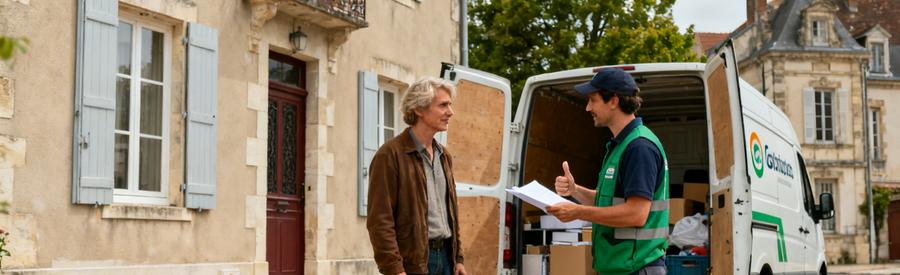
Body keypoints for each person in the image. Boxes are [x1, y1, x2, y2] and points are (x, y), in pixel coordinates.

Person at [547, 68, 669, 275]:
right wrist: (575, 191)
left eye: (592, 100)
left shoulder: (639, 147)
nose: (587, 108)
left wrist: (577, 212)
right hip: (623, 267)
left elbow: (636, 214)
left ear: (613, 101)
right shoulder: (620, 145)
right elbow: (609, 203)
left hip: (636, 268)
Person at [367, 77, 468, 275]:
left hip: (447, 258)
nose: (450, 112)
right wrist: (394, 269)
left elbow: (451, 213)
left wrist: (458, 258)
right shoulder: (390, 155)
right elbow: (380, 221)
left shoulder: (444, 155)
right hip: (414, 263)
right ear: (419, 109)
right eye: (443, 105)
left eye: (450, 105)